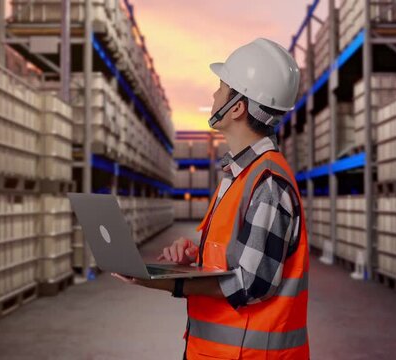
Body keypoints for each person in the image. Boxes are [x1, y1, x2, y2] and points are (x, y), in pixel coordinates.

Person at [112, 38, 310, 359]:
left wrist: (164, 281)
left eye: (221, 87)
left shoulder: (268, 182)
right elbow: (234, 259)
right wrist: (194, 258)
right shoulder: (239, 174)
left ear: (237, 107)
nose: (213, 95)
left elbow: (251, 284)